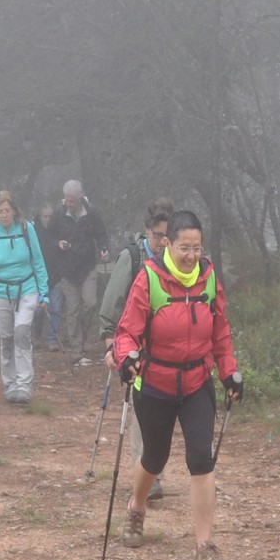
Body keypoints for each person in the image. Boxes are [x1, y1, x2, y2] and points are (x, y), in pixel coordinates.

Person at [110, 210, 242, 560]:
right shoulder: (149, 277)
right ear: (168, 243)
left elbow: (220, 332)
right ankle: (137, 508)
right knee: (155, 457)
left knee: (202, 459)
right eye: (185, 248)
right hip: (155, 382)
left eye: (197, 248)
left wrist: (229, 372)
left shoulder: (209, 277)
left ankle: (204, 546)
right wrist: (126, 357)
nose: (192, 256)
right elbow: (126, 332)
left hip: (197, 381)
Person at [98, 199, 175, 504]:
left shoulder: (178, 260)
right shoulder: (131, 258)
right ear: (146, 230)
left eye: (167, 236)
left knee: (163, 414)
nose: (162, 242)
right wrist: (112, 345)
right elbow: (111, 305)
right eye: (157, 235)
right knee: (145, 414)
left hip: (168, 350)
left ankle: (152, 475)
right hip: (136, 348)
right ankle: (148, 480)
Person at [0, 190, 51, 404]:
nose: (4, 215)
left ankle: (24, 384)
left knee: (21, 332)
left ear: (14, 211)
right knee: (7, 339)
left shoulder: (26, 229)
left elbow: (38, 261)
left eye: (7, 210)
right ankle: (10, 384)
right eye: (0, 211)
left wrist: (44, 292)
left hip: (27, 289)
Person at [47, 180, 109, 354]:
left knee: (91, 303)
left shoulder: (92, 212)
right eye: (66, 199)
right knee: (73, 309)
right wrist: (58, 243)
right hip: (67, 269)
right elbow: (49, 235)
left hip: (88, 266)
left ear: (80, 198)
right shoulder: (59, 213)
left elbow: (101, 233)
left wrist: (103, 248)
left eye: (72, 200)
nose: (68, 203)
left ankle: (80, 336)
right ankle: (76, 349)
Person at [35, 202, 63, 349]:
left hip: (56, 275)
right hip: (38, 277)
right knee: (38, 309)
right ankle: (36, 333)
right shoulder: (33, 231)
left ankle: (52, 338)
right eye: (45, 216)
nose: (47, 219)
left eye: (50, 216)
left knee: (56, 308)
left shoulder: (58, 230)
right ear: (40, 216)